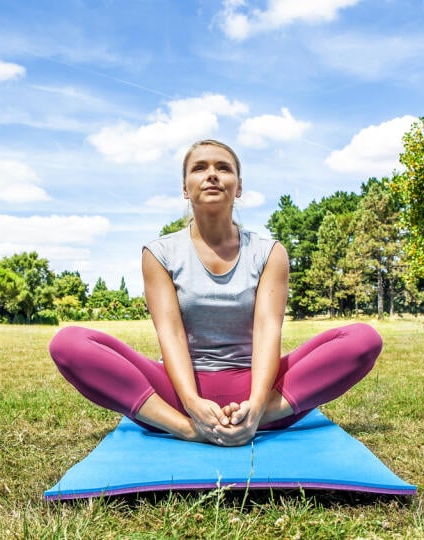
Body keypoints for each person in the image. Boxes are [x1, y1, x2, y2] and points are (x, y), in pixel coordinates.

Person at [49, 139, 383, 447]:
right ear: (185, 188)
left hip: (262, 393)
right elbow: (172, 335)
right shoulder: (159, 253)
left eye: (223, 168)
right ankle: (188, 431)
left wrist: (254, 405)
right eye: (200, 168)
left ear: (238, 187)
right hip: (178, 396)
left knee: (363, 339)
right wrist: (192, 407)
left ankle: (254, 421)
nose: (212, 175)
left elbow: (268, 330)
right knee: (68, 344)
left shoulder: (269, 252)